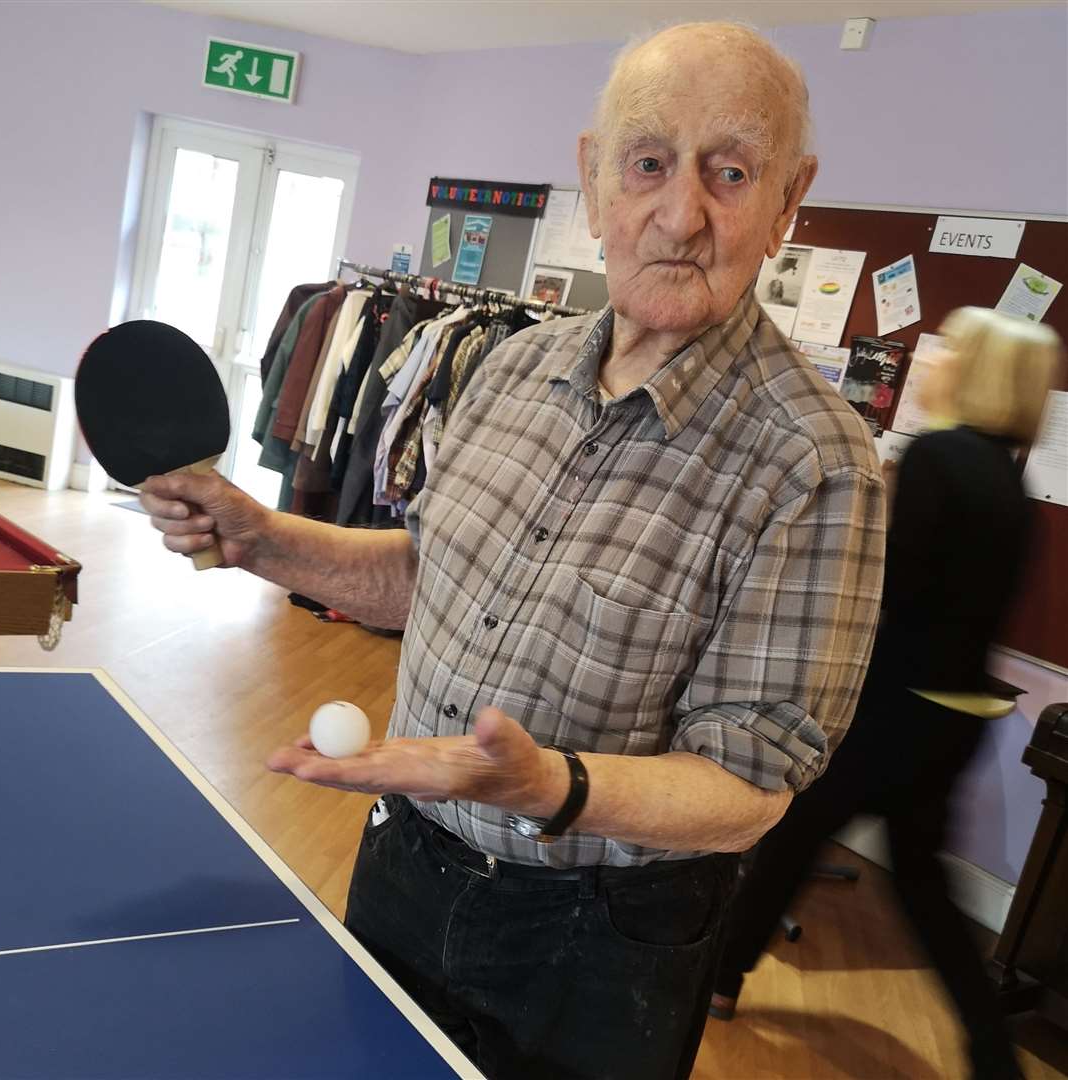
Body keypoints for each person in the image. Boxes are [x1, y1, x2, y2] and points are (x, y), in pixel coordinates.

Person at [140, 22, 885, 1080]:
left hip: (596, 941)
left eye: (730, 171)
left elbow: (750, 786)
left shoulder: (818, 463)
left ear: (788, 200)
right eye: (648, 163)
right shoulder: (510, 368)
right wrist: (262, 538)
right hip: (405, 859)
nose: (683, 215)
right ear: (592, 176)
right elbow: (426, 575)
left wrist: (552, 787)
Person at [709, 308, 1064, 1080]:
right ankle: (989, 1051)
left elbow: (883, 590)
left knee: (791, 838)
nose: (932, 363)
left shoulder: (937, 456)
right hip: (954, 714)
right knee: (920, 883)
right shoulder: (1012, 480)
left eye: (949, 354)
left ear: (975, 372)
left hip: (890, 709)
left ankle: (718, 978)